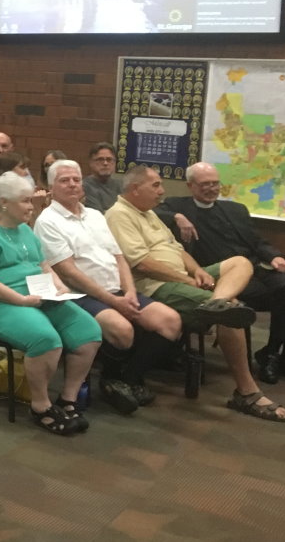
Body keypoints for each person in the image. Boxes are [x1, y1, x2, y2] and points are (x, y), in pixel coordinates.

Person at [103, 166, 285, 423]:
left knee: (240, 262)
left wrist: (196, 271)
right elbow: (142, 264)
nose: (162, 191)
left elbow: (177, 249)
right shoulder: (119, 214)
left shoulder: (148, 213)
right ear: (135, 189)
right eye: (156, 185)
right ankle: (247, 393)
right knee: (231, 313)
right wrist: (188, 279)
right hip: (155, 285)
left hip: (182, 276)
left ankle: (217, 302)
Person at [0, 173, 103, 435]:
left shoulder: (24, 229)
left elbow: (42, 264)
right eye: (25, 201)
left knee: (88, 332)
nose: (31, 206)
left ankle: (68, 399)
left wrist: (57, 285)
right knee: (45, 339)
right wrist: (21, 300)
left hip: (36, 297)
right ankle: (41, 406)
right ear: (4, 203)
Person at [34, 160, 182, 413]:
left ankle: (125, 378)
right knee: (122, 329)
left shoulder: (95, 215)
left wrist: (131, 292)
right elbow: (68, 272)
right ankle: (112, 377)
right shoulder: (47, 221)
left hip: (118, 290)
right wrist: (114, 301)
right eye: (64, 180)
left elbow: (119, 257)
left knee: (170, 321)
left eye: (76, 179)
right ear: (51, 188)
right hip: (80, 295)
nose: (72, 185)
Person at [156, 161, 285, 385]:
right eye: (205, 184)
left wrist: (274, 257)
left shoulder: (235, 210)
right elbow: (154, 211)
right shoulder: (176, 205)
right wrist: (177, 218)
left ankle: (278, 354)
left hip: (256, 267)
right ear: (190, 186)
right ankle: (277, 357)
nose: (212, 189)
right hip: (222, 278)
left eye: (215, 183)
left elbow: (258, 242)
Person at [83, 142, 121, 212]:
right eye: (100, 159)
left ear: (115, 162)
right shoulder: (84, 187)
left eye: (109, 159)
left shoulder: (121, 185)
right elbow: (99, 215)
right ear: (91, 162)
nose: (105, 163)